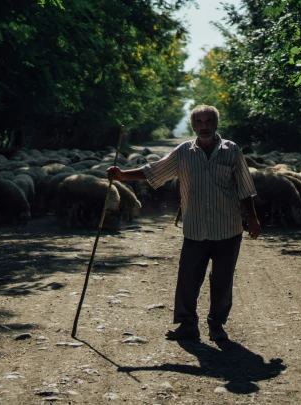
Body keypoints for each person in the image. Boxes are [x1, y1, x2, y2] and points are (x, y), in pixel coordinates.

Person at [107, 105, 261, 341]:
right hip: (195, 227)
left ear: (216, 124)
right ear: (193, 126)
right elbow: (154, 171)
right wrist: (122, 175)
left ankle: (217, 324)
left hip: (227, 228)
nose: (204, 126)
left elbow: (244, 187)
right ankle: (187, 324)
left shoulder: (232, 151)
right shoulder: (183, 152)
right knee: (188, 278)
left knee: (222, 279)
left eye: (208, 121)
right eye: (199, 122)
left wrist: (251, 217)